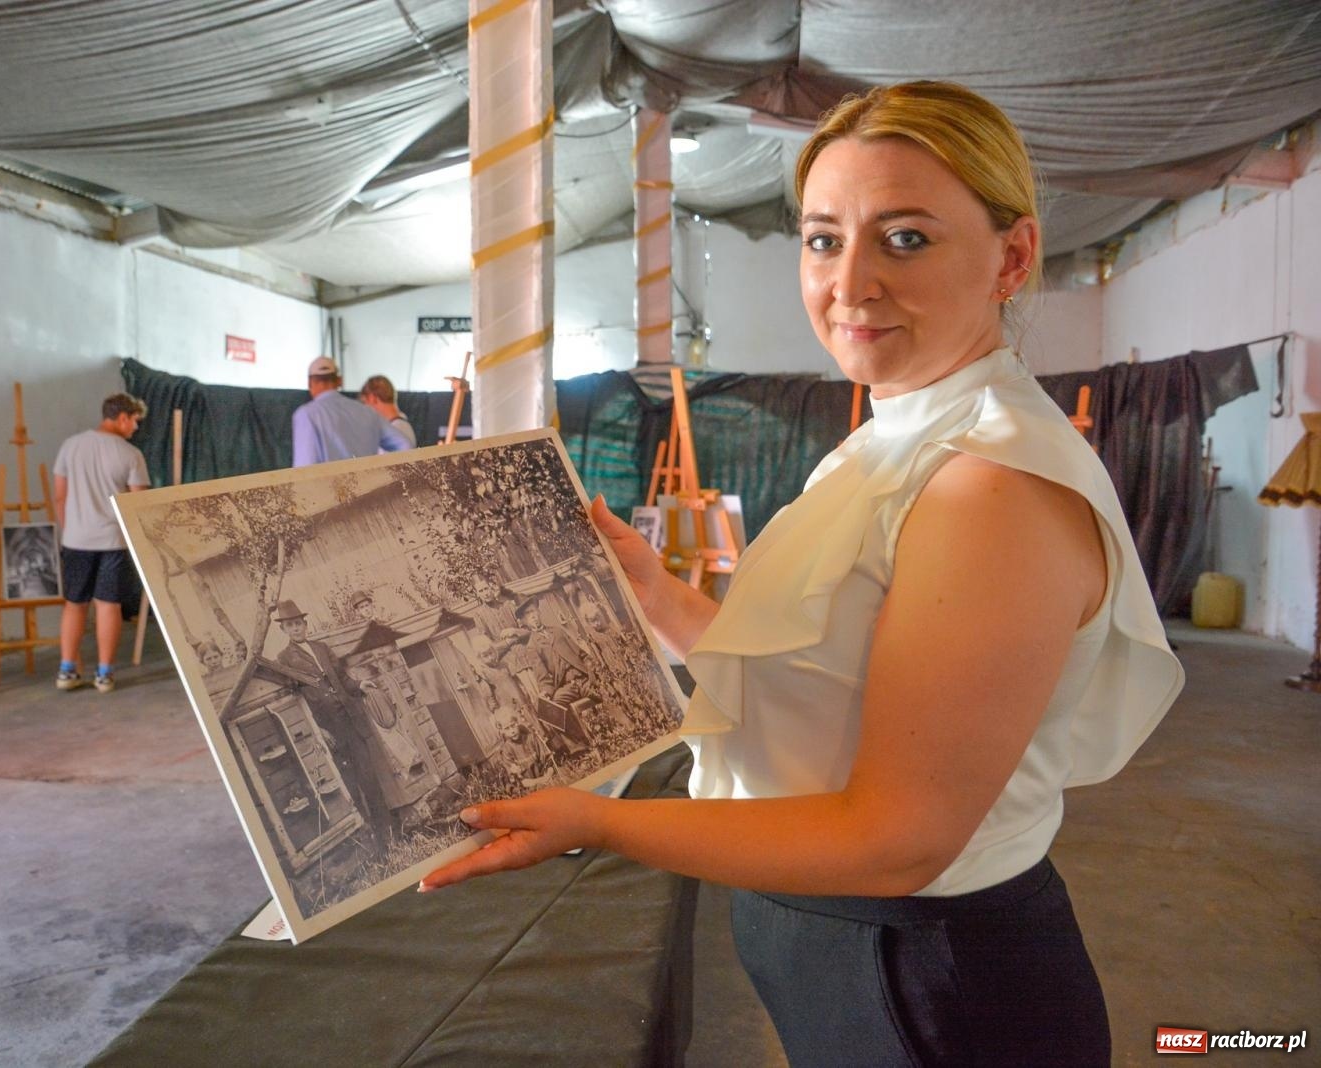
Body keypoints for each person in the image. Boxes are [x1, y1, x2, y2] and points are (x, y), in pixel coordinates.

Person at [420, 81, 1183, 1067]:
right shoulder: (898, 433)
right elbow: (823, 681)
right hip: (855, 950)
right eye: (824, 239)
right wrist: (655, 595)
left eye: (905, 238)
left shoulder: (989, 485)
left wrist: (603, 824)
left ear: (1013, 256)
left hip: (931, 981)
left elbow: (898, 839)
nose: (850, 284)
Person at [271, 599, 396, 847]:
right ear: (283, 629)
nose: (296, 628)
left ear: (305, 624)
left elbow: (342, 678)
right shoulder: (284, 659)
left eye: (298, 623)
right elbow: (297, 699)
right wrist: (317, 729)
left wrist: (359, 685)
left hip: (351, 720)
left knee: (369, 776)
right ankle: (369, 838)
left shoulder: (321, 648)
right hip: (328, 730)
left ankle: (389, 833)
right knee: (349, 783)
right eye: (290, 625)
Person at [52, 392, 151, 694]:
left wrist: (71, 530)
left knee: (74, 604)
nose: (136, 427)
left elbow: (60, 496)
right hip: (113, 541)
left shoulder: (70, 446)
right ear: (122, 417)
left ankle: (67, 670)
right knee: (108, 605)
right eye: (135, 421)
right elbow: (138, 503)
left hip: (76, 540)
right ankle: (104, 674)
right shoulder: (131, 454)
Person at [291, 357, 412, 467]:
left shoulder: (306, 415)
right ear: (340, 380)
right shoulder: (368, 413)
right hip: (369, 483)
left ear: (309, 383)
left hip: (331, 485)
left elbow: (304, 469)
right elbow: (405, 446)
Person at [359, 374, 416, 449]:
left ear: (372, 398)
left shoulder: (397, 430)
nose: (364, 409)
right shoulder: (400, 427)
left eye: (364, 402)